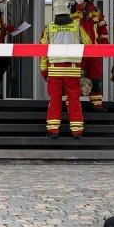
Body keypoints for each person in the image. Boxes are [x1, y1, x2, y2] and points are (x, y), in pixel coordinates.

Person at [40, 9, 91, 137]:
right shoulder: (77, 26)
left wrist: (44, 71)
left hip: (54, 70)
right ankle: (77, 131)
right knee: (74, 99)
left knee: (55, 99)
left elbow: (43, 51)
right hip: (72, 70)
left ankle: (53, 130)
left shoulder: (49, 28)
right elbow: (88, 43)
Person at [69, 0, 108, 110]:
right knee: (75, 77)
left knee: (95, 76)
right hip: (77, 52)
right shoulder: (72, 12)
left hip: (94, 51)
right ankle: (74, 104)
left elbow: (102, 30)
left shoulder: (95, 12)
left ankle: (96, 104)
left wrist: (105, 46)